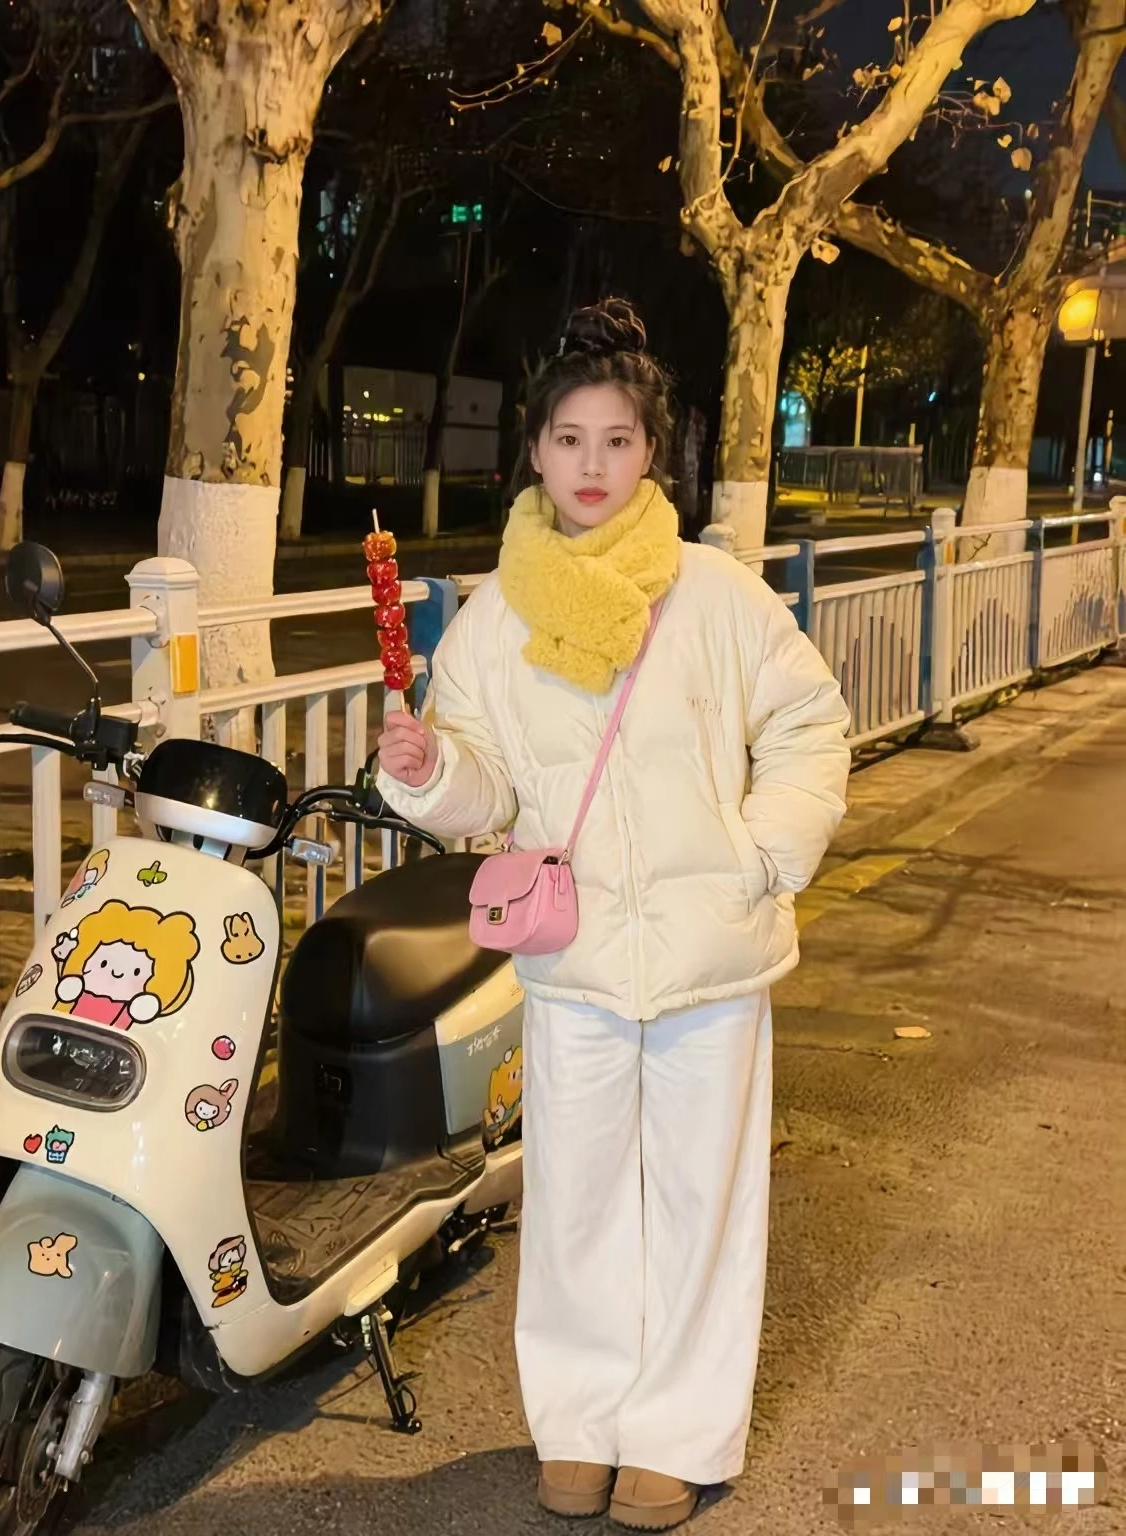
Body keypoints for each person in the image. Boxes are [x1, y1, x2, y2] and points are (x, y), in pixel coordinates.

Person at [376, 298, 851, 1531]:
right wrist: (426, 769)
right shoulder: (497, 616)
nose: (593, 464)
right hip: (573, 955)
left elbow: (809, 722)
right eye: (570, 438)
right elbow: (484, 783)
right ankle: (580, 1424)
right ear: (535, 450)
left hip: (709, 954)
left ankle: (678, 1434)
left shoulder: (717, 594)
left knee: (702, 1200)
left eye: (619, 440)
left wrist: (763, 855)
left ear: (655, 453)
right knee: (577, 1200)